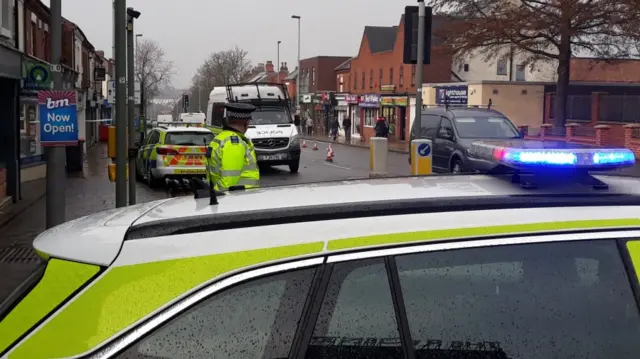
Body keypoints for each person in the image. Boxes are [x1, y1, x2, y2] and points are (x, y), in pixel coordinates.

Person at [206, 103, 260, 191]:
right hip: (239, 199)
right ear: (246, 123)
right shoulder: (234, 143)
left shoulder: (222, 137)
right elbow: (229, 182)